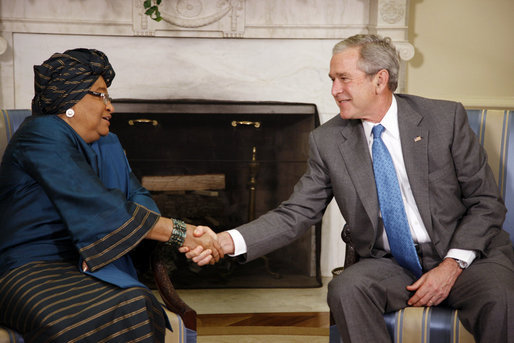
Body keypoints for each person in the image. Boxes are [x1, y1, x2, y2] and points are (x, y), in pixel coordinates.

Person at [184, 34, 514, 342]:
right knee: (346, 288)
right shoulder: (328, 140)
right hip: (392, 263)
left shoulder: (443, 119)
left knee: (500, 296)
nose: (334, 90)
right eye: (332, 79)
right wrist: (225, 241)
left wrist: (451, 265)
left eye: (344, 78)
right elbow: (297, 212)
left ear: (380, 80)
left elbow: (486, 202)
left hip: (467, 256)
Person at [0, 48, 221, 342]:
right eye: (101, 95)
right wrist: (183, 232)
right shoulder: (40, 133)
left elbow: (138, 196)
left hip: (91, 265)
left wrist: (107, 241)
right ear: (71, 100)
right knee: (77, 322)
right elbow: (94, 203)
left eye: (109, 97)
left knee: (136, 304)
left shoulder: (109, 144)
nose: (110, 107)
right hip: (29, 268)